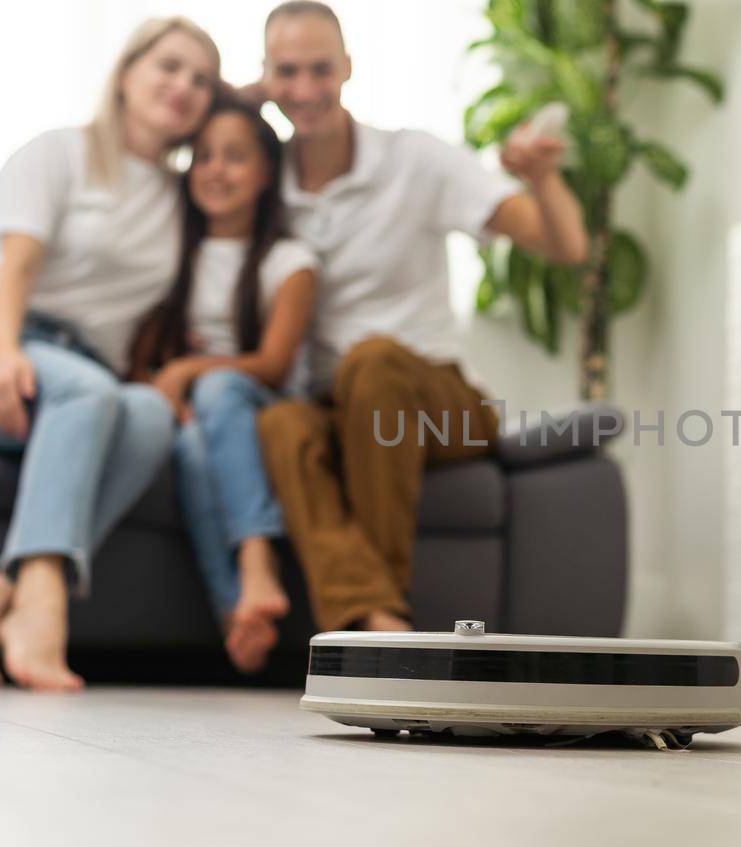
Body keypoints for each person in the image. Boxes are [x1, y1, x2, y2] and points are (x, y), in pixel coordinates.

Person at [250, 1, 590, 633]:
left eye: (320, 70)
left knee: (374, 362)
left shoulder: (416, 160)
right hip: (338, 404)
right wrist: (246, 98)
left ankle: (384, 643)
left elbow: (564, 245)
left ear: (348, 68)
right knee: (280, 422)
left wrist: (542, 179)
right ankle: (378, 621)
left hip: (438, 402)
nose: (304, 90)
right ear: (265, 78)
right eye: (286, 73)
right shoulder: (266, 180)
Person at [0, 18, 221, 691]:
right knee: (91, 391)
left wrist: (248, 93)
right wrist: (2, 353)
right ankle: (39, 603)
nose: (184, 86)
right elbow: (16, 266)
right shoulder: (60, 152)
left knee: (147, 411)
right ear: (127, 71)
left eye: (202, 79)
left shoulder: (181, 201)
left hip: (88, 378)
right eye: (168, 66)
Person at [126, 98, 316, 674]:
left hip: (265, 403)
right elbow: (137, 358)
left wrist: (187, 373)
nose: (215, 170)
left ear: (266, 172)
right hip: (202, 415)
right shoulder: (172, 252)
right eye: (203, 156)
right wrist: (167, 391)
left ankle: (258, 560)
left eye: (235, 157)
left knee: (219, 390)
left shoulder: (290, 260)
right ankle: (238, 616)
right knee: (187, 448)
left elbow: (275, 364)